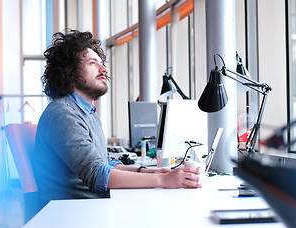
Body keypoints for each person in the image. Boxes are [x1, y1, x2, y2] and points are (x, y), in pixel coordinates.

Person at [33, 29, 201, 203]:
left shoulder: (86, 112)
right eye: (92, 63)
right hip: (74, 214)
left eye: (101, 63)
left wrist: (151, 172)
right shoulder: (63, 114)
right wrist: (163, 180)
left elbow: (105, 163)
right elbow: (98, 175)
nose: (104, 69)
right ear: (69, 72)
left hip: (90, 206)